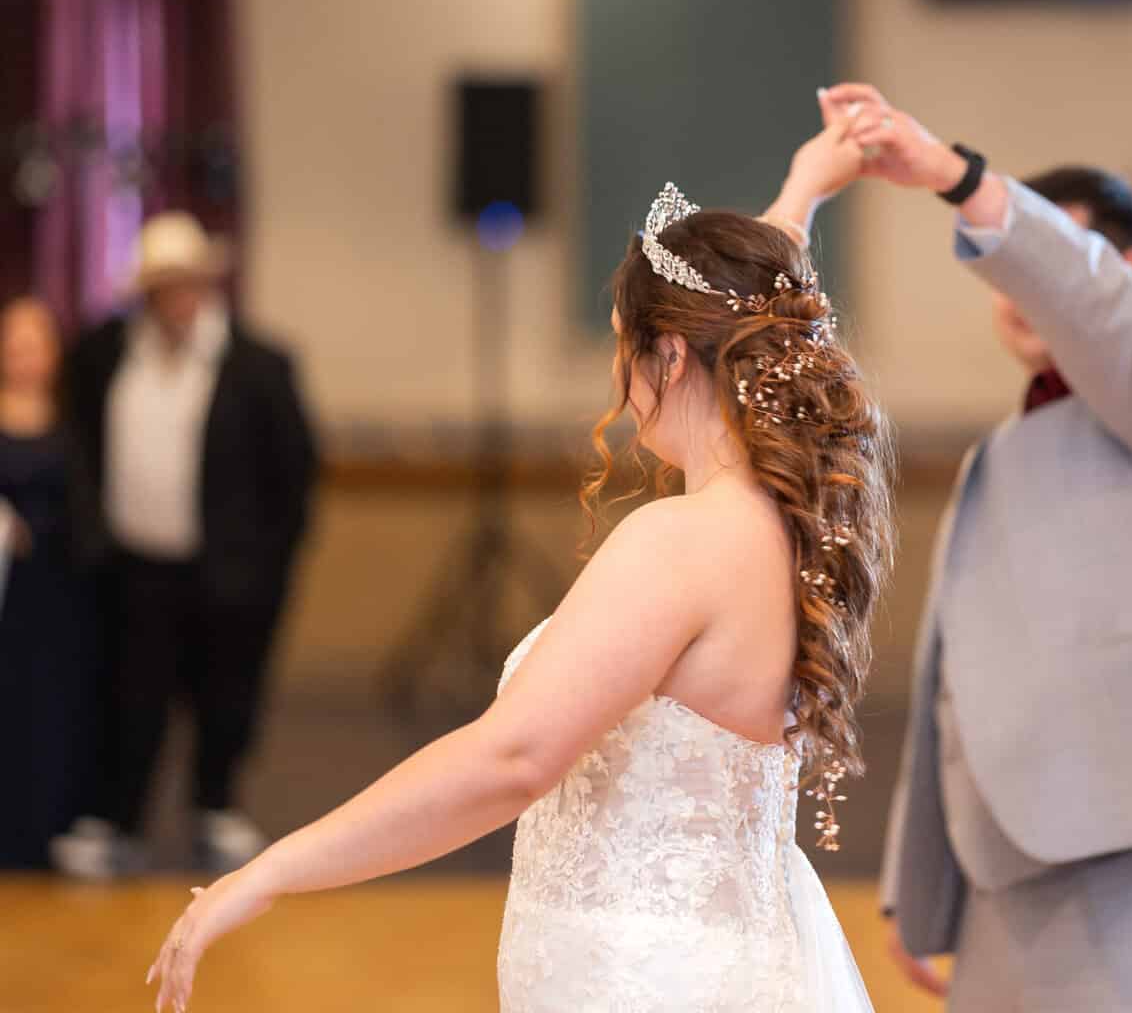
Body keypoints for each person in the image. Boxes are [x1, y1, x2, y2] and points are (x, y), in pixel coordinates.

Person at [146, 115, 895, 1012]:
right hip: (732, 954)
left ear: (666, 353)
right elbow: (757, 301)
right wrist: (804, 187)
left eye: (626, 343)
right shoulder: (789, 525)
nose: (618, 377)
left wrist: (270, 871)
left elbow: (510, 759)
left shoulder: (678, 542)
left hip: (647, 983)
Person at [826, 83, 1132, 1011]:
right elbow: (955, 686)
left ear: (1127, 268)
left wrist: (962, 181)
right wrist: (921, 893)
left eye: (1047, 258)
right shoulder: (996, 457)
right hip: (1015, 879)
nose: (1018, 287)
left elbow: (1112, 327)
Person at [50, 213, 318, 880]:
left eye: (188, 283)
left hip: (227, 573)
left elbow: (295, 474)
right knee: (129, 699)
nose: (178, 298)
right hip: (133, 570)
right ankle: (120, 821)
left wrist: (267, 566)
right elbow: (76, 450)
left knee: (227, 697)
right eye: (164, 285)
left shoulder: (259, 364)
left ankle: (215, 809)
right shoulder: (102, 355)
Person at [0, 297, 94, 868]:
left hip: (55, 594)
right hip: (2, 594)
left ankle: (42, 827)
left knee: (49, 706)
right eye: (11, 345)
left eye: (32, 345)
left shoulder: (74, 420)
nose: (21, 357)